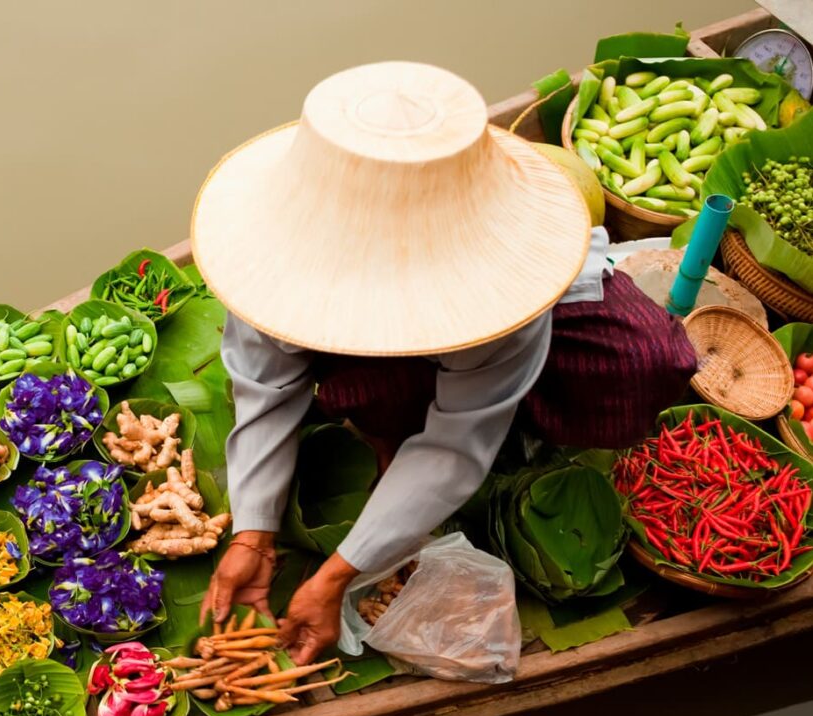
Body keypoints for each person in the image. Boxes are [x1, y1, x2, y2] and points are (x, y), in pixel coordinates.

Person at [191, 62, 696, 664]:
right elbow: (265, 388)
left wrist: (333, 577)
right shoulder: (275, 259)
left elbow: (457, 443)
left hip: (502, 302)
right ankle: (392, 438)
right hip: (387, 343)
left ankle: (508, 416)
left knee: (645, 362)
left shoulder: (498, 278)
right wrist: (255, 532)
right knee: (368, 389)